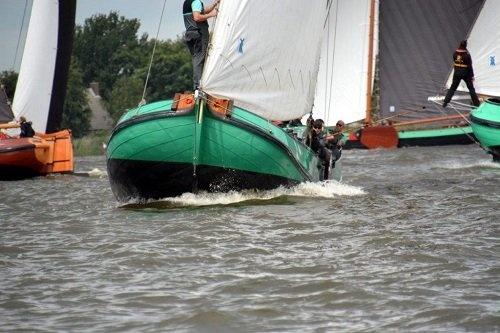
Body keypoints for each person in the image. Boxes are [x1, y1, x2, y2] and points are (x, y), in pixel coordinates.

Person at [183, 0, 219, 89]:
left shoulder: (188, 2)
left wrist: (213, 5)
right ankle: (198, 86)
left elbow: (201, 11)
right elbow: (197, 17)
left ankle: (198, 85)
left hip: (190, 35)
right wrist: (212, 14)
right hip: (199, 35)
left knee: (197, 59)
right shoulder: (196, 2)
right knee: (199, 60)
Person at [442, 40, 480, 108]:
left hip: (457, 73)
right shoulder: (467, 55)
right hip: (466, 74)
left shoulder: (455, 53)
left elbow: (455, 62)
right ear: (465, 45)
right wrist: (472, 76)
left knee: (452, 88)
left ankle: (445, 102)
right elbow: (469, 66)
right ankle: (476, 104)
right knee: (471, 88)